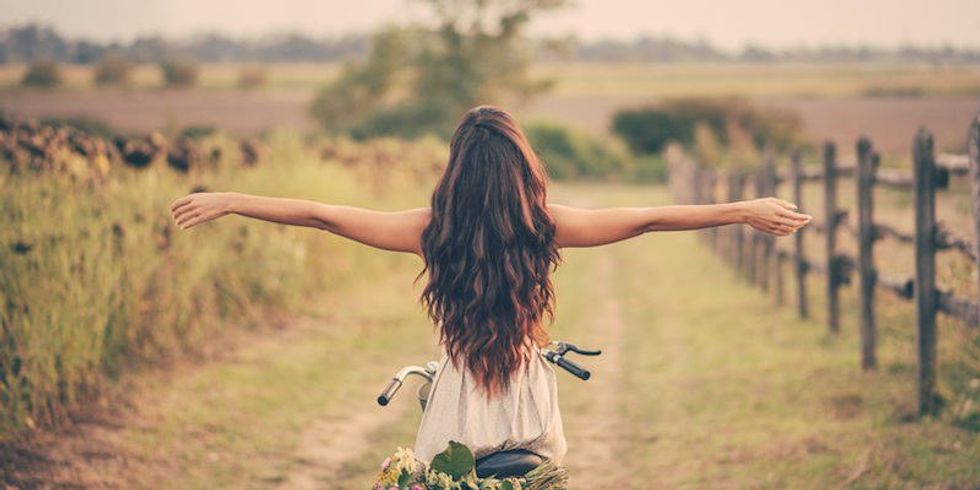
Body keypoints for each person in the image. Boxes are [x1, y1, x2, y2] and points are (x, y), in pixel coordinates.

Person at [169, 105, 811, 468]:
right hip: (527, 392)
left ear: (457, 171)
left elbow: (323, 215)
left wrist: (232, 198)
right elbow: (646, 219)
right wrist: (742, 209)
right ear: (521, 168)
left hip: (458, 395)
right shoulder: (545, 226)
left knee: (441, 479)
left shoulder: (430, 229)